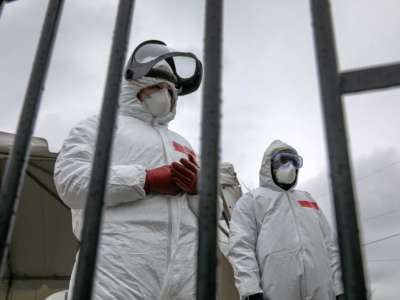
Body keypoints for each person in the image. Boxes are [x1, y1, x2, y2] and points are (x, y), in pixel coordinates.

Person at [54, 40, 202, 300]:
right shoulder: (98, 127)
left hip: (186, 269)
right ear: (134, 84)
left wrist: (197, 189)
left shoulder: (183, 144)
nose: (165, 94)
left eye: (170, 88)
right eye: (157, 85)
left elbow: (209, 214)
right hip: (118, 264)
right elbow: (69, 181)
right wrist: (146, 180)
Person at [228, 140, 344, 300]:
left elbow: (330, 246)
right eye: (282, 160)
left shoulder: (307, 199)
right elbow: (241, 247)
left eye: (294, 162)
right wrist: (251, 290)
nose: (289, 166)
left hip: (323, 293)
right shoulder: (252, 200)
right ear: (269, 165)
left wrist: (339, 288)